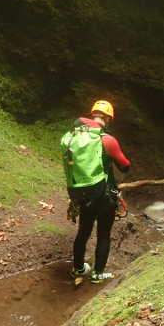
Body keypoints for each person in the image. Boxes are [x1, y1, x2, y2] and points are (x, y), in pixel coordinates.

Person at [60, 100, 131, 283]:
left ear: (92, 116)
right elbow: (125, 166)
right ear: (108, 118)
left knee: (83, 232)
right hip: (104, 195)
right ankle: (98, 274)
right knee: (103, 235)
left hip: (83, 194)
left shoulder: (74, 137)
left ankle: (78, 269)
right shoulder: (106, 139)